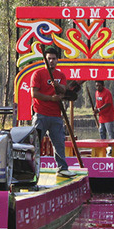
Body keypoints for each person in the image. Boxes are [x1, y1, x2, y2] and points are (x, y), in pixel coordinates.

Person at [30, 45, 75, 177]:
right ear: (45, 60)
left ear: (57, 60)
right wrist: (51, 98)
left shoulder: (60, 75)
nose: (51, 61)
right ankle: (31, 168)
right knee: (35, 143)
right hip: (41, 115)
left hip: (56, 115)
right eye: (49, 58)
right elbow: (34, 93)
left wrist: (58, 88)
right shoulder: (38, 74)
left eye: (54, 59)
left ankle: (62, 168)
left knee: (59, 142)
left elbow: (64, 90)